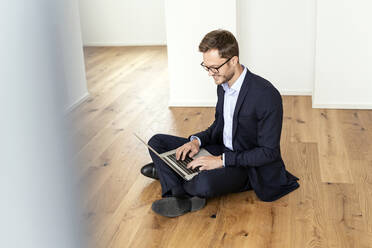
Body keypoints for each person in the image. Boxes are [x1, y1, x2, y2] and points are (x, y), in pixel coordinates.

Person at [141, 29, 299, 217]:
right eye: (206, 67)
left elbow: (268, 152)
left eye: (214, 67)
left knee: (204, 183)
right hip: (222, 149)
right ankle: (178, 191)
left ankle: (171, 175)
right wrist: (196, 142)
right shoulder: (223, 85)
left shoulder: (266, 95)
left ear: (233, 60)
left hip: (246, 165)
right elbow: (219, 127)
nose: (210, 73)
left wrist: (220, 161)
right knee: (156, 142)